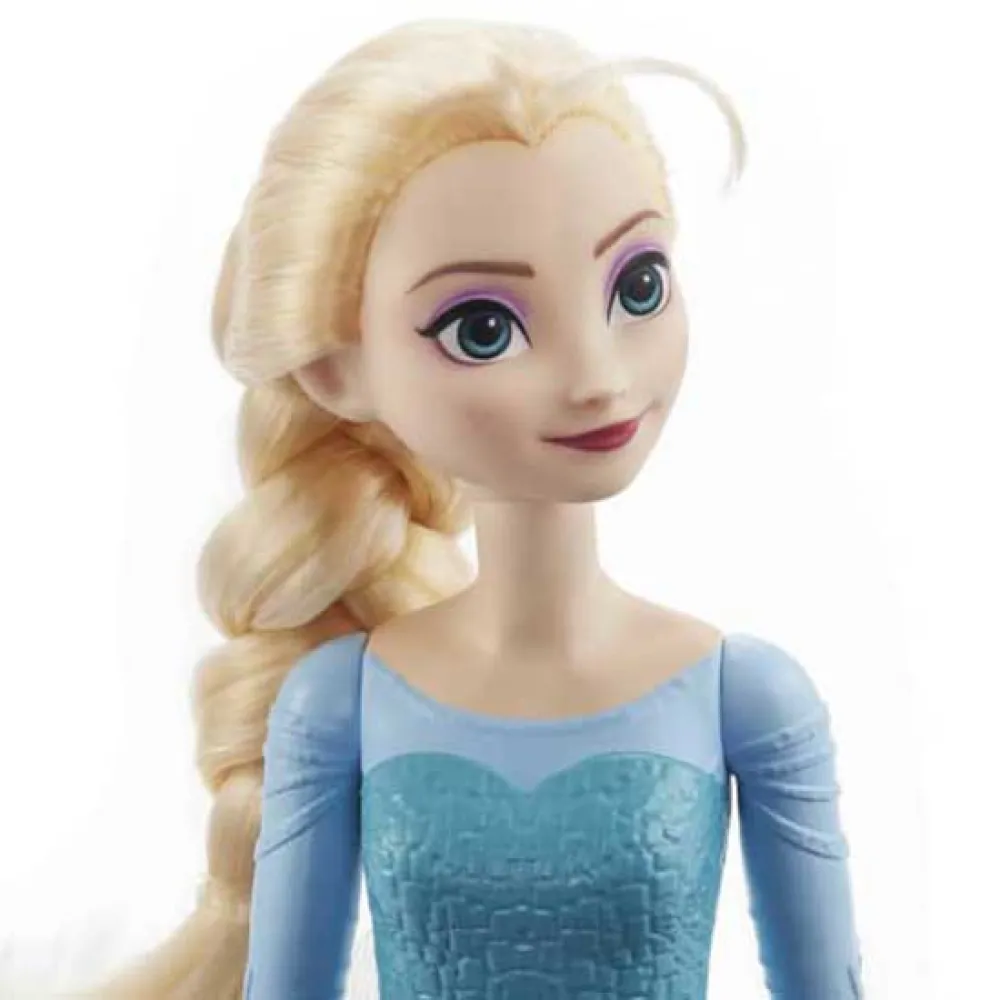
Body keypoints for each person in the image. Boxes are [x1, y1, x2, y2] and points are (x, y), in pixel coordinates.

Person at [95, 18, 863, 1000]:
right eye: (482, 327)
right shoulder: (340, 704)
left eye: (637, 285)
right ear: (338, 369)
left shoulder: (743, 697)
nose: (596, 378)